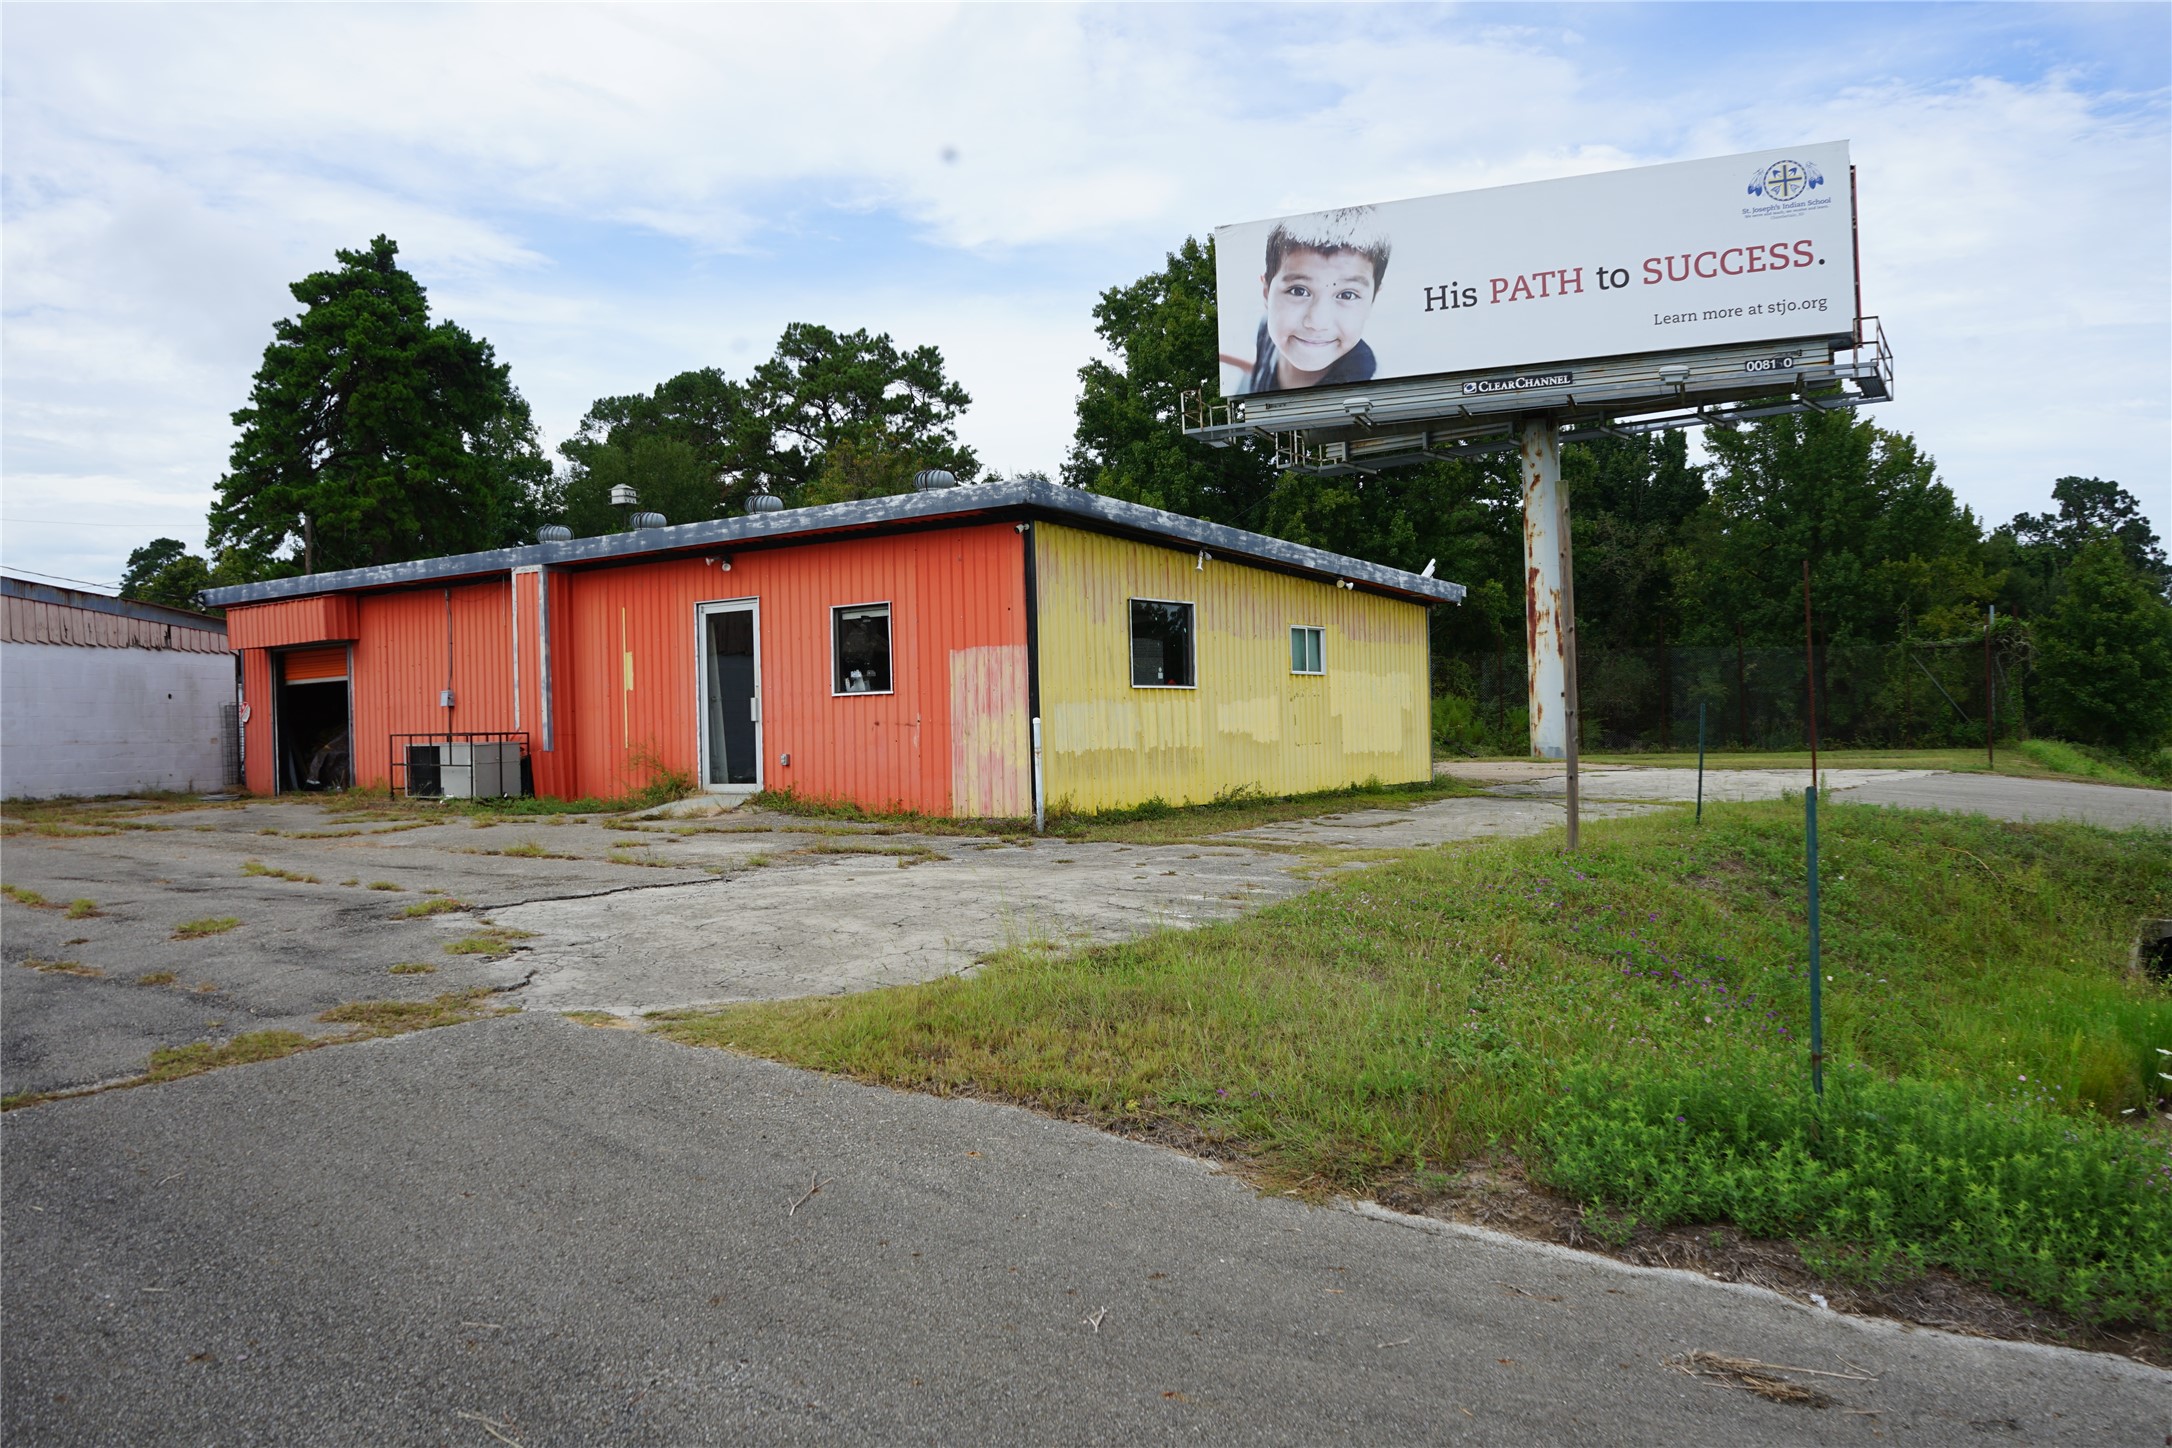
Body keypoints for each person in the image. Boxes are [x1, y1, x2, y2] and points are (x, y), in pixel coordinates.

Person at [1235, 207, 1391, 394]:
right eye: (1299, 291)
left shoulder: (1369, 387)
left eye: (1347, 295)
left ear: (1372, 302)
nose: (1318, 322)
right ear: (1267, 292)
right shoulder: (1265, 330)